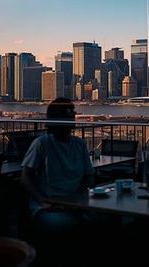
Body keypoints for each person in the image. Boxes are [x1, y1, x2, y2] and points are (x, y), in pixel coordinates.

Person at [21, 98, 95, 232]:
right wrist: (42, 200)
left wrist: (78, 198)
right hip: (47, 207)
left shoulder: (80, 144)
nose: (73, 116)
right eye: (68, 113)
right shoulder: (41, 144)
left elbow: (89, 176)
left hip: (76, 205)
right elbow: (26, 177)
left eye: (73, 113)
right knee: (78, 225)